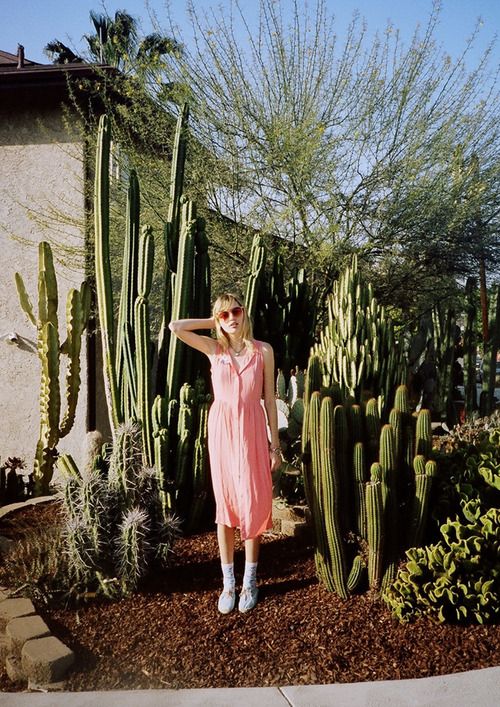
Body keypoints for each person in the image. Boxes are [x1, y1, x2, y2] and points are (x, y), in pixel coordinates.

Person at [169, 293, 281, 614]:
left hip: (252, 433)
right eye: (224, 315)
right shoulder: (214, 350)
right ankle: (228, 582)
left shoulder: (263, 351)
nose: (231, 317)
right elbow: (176, 326)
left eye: (235, 311)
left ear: (244, 313)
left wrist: (276, 445)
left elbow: (270, 400)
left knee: (253, 504)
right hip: (221, 435)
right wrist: (212, 318)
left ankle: (250, 581)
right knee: (226, 508)